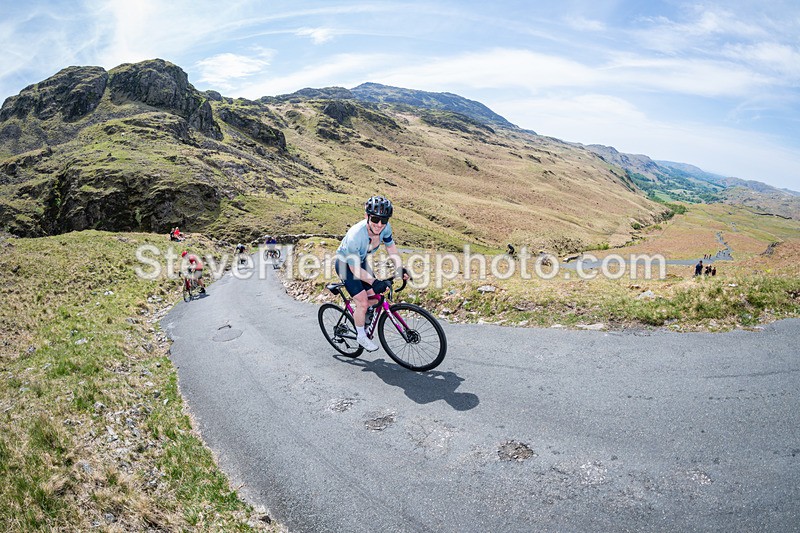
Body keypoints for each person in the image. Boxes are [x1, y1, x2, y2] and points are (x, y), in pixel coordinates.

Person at [335, 195, 408, 352]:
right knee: (362, 301)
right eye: (375, 219)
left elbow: (391, 249)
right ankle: (361, 336)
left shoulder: (385, 228)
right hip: (345, 265)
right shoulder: (356, 235)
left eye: (384, 220)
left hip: (360, 262)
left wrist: (400, 268)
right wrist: (374, 281)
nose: (379, 224)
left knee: (374, 298)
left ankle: (362, 317)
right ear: (366, 216)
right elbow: (354, 270)